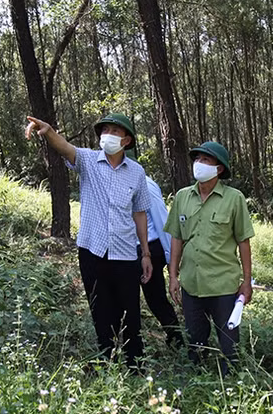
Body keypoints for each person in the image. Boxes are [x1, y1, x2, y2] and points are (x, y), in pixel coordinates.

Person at [25, 113, 152, 370]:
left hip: (126, 253)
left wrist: (146, 253)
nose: (107, 134)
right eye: (105, 129)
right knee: (101, 311)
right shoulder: (88, 161)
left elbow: (139, 213)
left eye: (114, 131)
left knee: (130, 313)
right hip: (92, 251)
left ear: (126, 140)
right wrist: (48, 130)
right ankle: (107, 363)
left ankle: (135, 367)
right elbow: (65, 147)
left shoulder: (136, 172)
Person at [164, 142, 254, 373]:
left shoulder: (234, 199)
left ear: (219, 169)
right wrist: (173, 276)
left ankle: (231, 382)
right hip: (191, 284)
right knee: (195, 340)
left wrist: (246, 281)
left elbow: (243, 241)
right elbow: (177, 238)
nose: (199, 165)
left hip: (223, 285)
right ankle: (197, 379)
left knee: (229, 343)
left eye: (206, 160)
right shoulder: (183, 197)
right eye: (197, 159)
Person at [136, 171, 183, 348]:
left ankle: (176, 338)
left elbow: (162, 220)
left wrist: (172, 260)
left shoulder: (145, 185)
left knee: (155, 299)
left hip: (151, 248)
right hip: (128, 249)